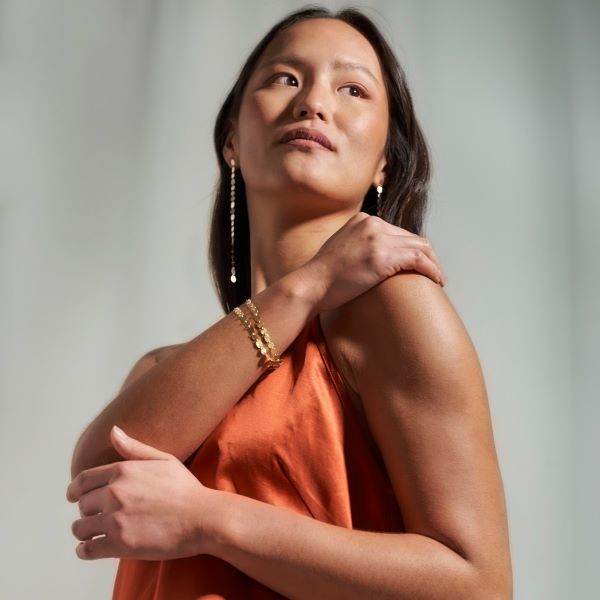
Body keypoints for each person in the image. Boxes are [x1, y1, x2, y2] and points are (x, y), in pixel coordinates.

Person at [66, 6, 513, 599]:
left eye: (352, 89)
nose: (313, 102)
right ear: (232, 139)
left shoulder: (395, 310)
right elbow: (93, 474)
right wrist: (309, 284)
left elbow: (479, 586)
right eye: (286, 78)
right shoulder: (162, 369)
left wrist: (211, 520)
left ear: (383, 162)